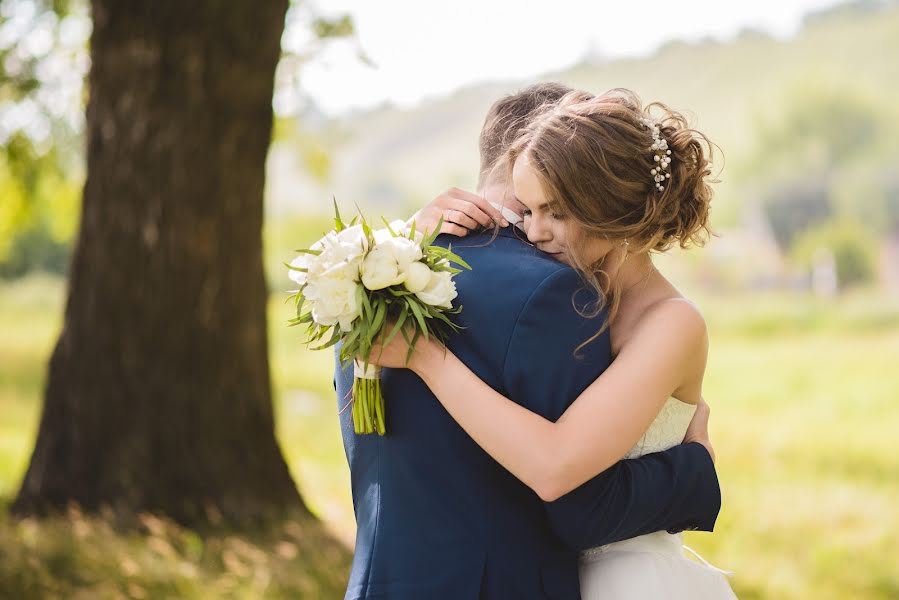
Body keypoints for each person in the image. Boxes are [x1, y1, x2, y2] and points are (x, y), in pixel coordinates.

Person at [334, 83, 722, 600]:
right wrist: (412, 243)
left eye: (553, 212)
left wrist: (428, 357)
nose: (532, 233)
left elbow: (555, 465)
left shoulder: (671, 322)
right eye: (527, 210)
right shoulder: (573, 294)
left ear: (615, 213)